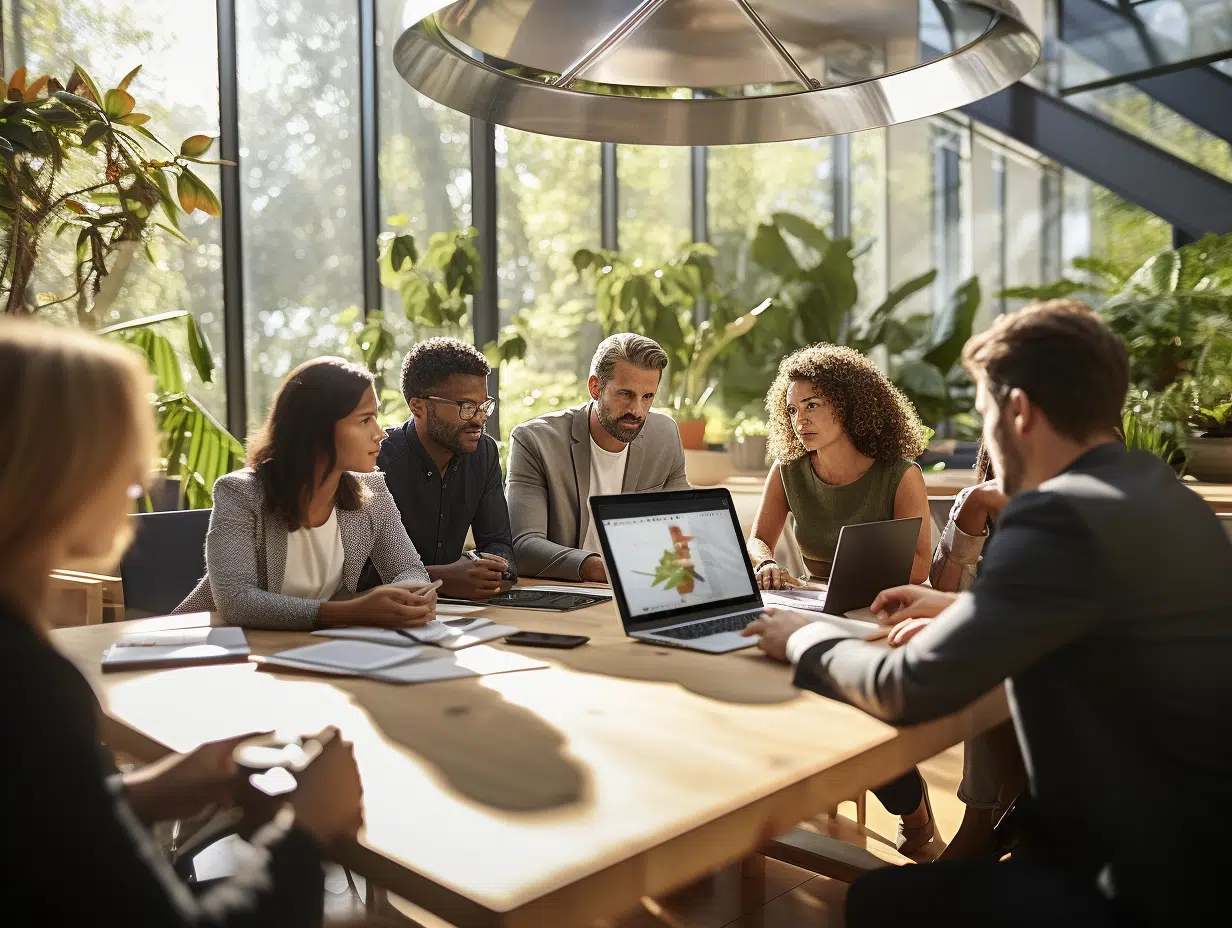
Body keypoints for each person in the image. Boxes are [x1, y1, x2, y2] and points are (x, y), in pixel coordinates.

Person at [745, 300, 1232, 927]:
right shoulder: (1164, 496)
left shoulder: (1054, 514)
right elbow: (1100, 612)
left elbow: (906, 689)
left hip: (1133, 885)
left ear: (1020, 410)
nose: (987, 438)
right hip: (1204, 852)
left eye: (984, 414)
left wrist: (804, 638)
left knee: (875, 902)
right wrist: (963, 606)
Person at [0, 320, 364, 924]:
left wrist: (158, 787)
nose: (139, 481)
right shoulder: (27, 685)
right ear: (52, 469)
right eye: (120, 454)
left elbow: (35, 822)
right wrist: (304, 835)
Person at [176, 357, 436, 629]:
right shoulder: (240, 493)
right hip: (215, 650)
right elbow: (237, 601)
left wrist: (412, 595)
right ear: (317, 428)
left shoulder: (373, 493)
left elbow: (408, 567)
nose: (380, 433)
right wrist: (351, 612)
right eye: (365, 420)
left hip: (307, 648)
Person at [747, 344, 932, 591]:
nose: (800, 420)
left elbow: (919, 567)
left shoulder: (900, 476)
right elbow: (758, 540)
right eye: (792, 410)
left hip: (879, 602)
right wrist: (765, 563)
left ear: (848, 405)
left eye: (811, 405)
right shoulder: (787, 471)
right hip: (810, 601)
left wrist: (827, 586)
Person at [507, 333, 690, 581]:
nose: (637, 410)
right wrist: (602, 569)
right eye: (625, 394)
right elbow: (522, 545)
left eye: (647, 397)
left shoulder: (665, 435)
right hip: (570, 591)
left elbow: (685, 527)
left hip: (646, 586)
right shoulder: (536, 441)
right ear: (595, 387)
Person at [369, 338, 515, 600]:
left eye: (483, 407)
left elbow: (498, 542)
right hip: (385, 615)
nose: (479, 419)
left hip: (461, 613)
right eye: (466, 407)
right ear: (418, 406)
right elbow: (353, 575)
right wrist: (442, 578)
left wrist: (494, 571)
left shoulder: (484, 453)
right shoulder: (376, 462)